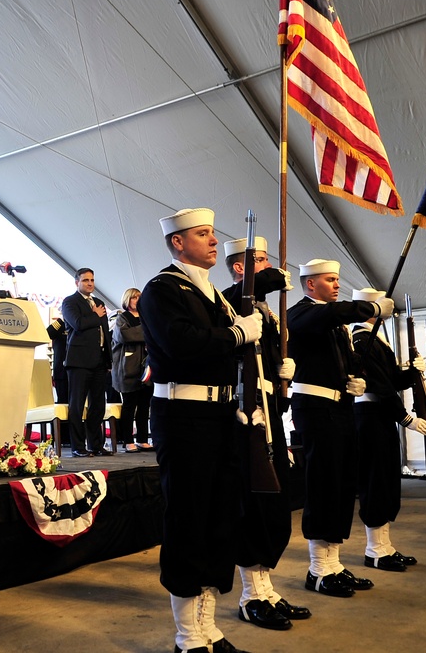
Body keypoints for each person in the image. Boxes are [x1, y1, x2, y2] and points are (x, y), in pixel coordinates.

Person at [138, 207, 262, 653]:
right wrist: (238, 335)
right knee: (189, 518)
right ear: (177, 242)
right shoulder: (162, 289)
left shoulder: (215, 294)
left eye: (213, 232)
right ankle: (188, 637)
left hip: (221, 416)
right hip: (183, 416)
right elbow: (183, 342)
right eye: (203, 234)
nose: (214, 241)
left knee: (219, 520)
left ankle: (208, 627)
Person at [286, 259, 392, 597]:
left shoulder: (336, 324)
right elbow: (329, 315)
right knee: (323, 483)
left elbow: (340, 356)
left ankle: (333, 563)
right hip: (314, 409)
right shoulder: (302, 313)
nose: (335, 284)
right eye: (329, 280)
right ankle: (318, 568)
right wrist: (370, 308)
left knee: (343, 485)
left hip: (340, 407)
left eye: (337, 279)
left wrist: (353, 378)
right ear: (309, 284)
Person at [220, 237, 311, 630]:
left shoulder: (266, 311)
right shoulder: (229, 302)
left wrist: (284, 373)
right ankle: (250, 595)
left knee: (274, 506)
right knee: (253, 504)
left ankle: (266, 588)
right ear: (240, 268)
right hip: (247, 415)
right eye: (258, 260)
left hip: (272, 411)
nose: (267, 264)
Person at [349, 288, 426, 571]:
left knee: (387, 480)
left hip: (380, 414)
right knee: (375, 481)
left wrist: (413, 371)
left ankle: (385, 546)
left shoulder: (377, 340)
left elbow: (393, 380)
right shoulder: (361, 339)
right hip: (369, 414)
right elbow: (381, 386)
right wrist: (405, 418)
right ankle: (374, 550)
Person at [61, 268, 112, 457]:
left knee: (98, 405)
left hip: (99, 360)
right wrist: (95, 315)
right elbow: (78, 324)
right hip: (79, 361)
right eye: (85, 280)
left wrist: (108, 359)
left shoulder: (98, 303)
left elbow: (105, 333)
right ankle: (78, 447)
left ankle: (96, 445)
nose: (90, 283)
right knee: (77, 405)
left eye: (92, 280)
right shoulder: (70, 302)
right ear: (77, 283)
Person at [110, 287, 153, 452]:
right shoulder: (122, 318)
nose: (137, 301)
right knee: (129, 405)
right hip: (128, 368)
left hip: (146, 369)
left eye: (139, 298)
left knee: (144, 406)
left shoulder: (146, 317)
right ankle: (128, 440)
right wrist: (147, 332)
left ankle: (142, 439)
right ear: (128, 300)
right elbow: (124, 336)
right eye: (134, 298)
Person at [46, 315, 70, 445]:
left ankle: (73, 437)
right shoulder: (59, 324)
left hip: (77, 370)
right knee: (62, 403)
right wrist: (60, 321)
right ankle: (62, 437)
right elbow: (46, 334)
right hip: (61, 371)